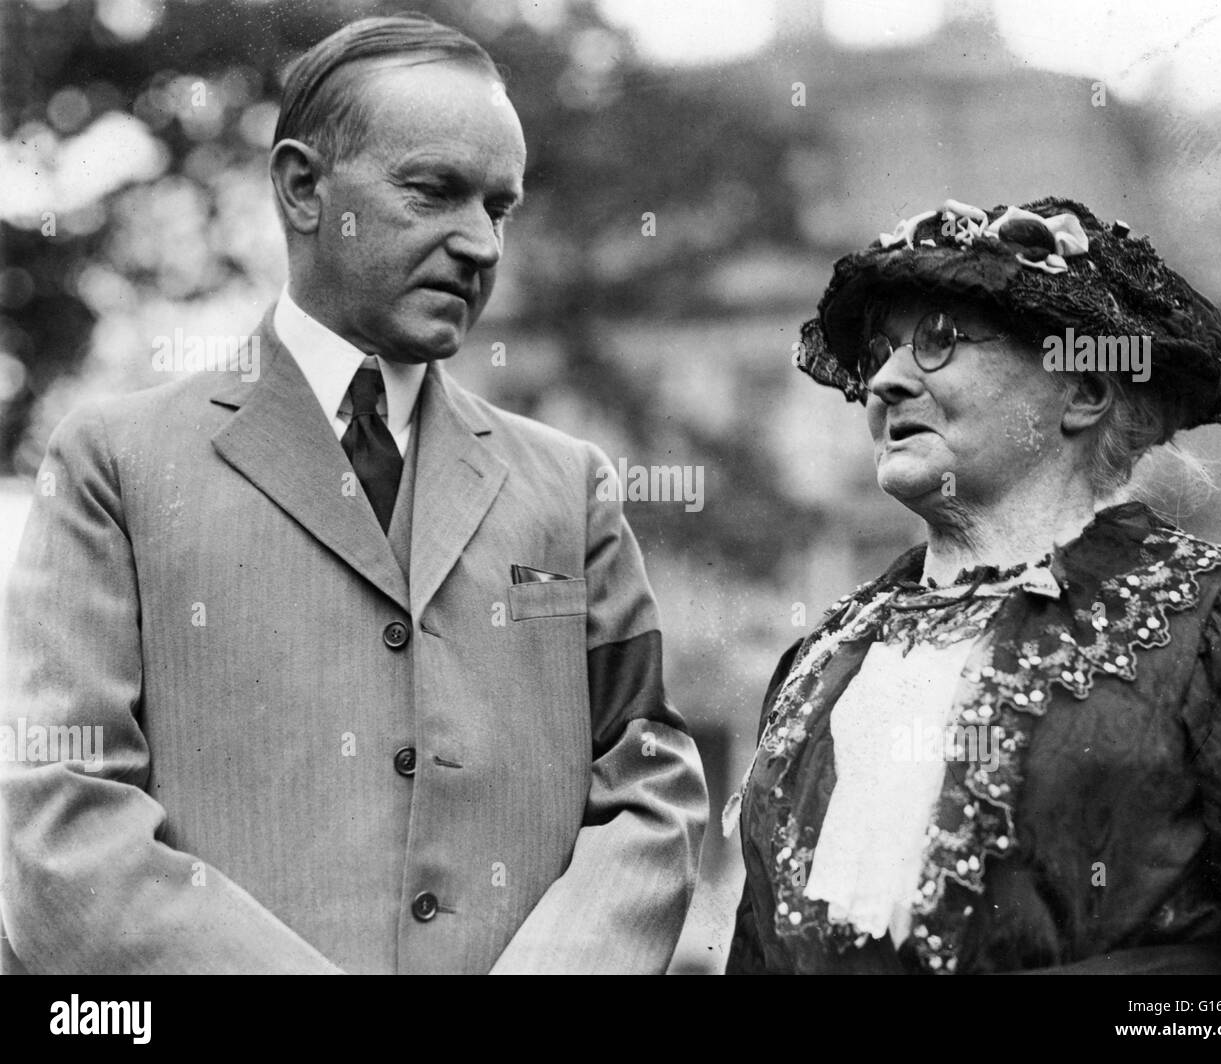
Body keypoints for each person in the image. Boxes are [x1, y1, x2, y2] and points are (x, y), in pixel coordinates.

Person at [0, 14, 707, 975]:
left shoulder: (569, 486)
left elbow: (651, 780)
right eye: (434, 192)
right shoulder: (112, 465)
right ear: (302, 188)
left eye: (499, 208)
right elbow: (62, 832)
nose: (480, 245)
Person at [725, 195, 1221, 974]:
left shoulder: (1213, 619)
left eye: (937, 341)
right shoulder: (824, 660)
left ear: (1085, 387)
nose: (884, 384)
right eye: (878, 354)